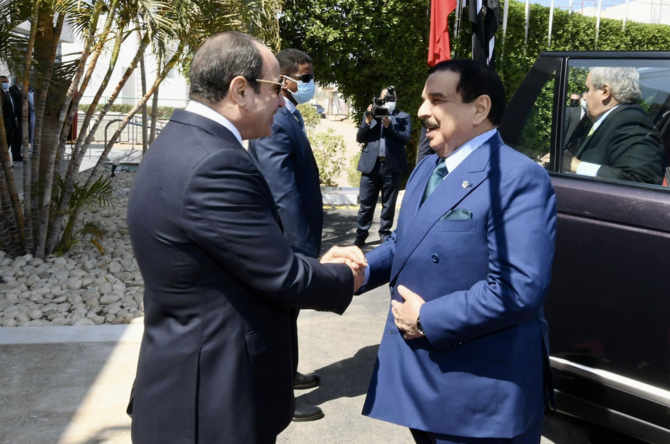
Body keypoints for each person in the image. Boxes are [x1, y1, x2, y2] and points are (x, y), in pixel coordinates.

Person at [127, 32, 366, 444]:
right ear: (240, 89)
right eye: (276, 87)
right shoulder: (216, 164)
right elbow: (282, 278)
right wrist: (349, 275)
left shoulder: (182, 140)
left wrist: (311, 263)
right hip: (213, 405)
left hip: (185, 385)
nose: (281, 99)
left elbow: (245, 256)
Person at [357, 60, 557, 444]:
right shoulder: (427, 168)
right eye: (422, 100)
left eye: (437, 100)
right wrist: (362, 267)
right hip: (422, 382)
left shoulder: (517, 178)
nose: (421, 112)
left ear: (479, 109)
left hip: (478, 393)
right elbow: (406, 241)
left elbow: (517, 290)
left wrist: (428, 317)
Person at [248, 48, 325, 422]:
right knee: (279, 319)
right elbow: (282, 192)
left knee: (289, 317)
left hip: (295, 238)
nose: (310, 84)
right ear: (285, 80)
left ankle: (288, 374)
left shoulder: (290, 115)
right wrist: (302, 248)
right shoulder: (277, 120)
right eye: (305, 77)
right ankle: (279, 396)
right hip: (287, 242)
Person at [562, 67, 664, 184]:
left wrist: (578, 166)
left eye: (588, 89)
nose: (584, 97)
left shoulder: (631, 122)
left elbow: (642, 180)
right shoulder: (615, 118)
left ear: (605, 92)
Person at [354, 86, 411, 248]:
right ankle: (361, 234)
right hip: (370, 166)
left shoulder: (403, 117)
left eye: (392, 98)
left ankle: (384, 233)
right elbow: (360, 138)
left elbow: (405, 138)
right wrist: (367, 120)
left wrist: (389, 126)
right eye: (385, 98)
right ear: (379, 100)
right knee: (366, 203)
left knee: (389, 204)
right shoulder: (371, 116)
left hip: (391, 166)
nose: (388, 101)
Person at [1, 76, 16, 164]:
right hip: (4, 124)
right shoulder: (1, 94)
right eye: (3, 82)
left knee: (8, 143)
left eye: (6, 81)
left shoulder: (8, 93)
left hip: (11, 123)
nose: (6, 83)